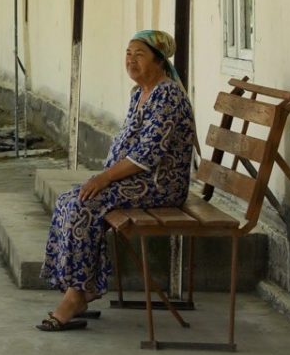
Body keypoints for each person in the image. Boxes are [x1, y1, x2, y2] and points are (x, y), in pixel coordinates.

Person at [38, 28, 196, 331]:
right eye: (128, 54)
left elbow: (147, 156)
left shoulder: (167, 96)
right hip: (138, 181)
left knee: (86, 204)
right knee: (69, 199)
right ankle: (78, 288)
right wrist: (105, 179)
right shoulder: (140, 93)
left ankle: (78, 295)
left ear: (160, 60)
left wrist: (104, 178)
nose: (131, 61)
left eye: (139, 55)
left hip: (161, 184)